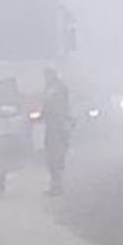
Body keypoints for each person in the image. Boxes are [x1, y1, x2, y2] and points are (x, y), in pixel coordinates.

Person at [39, 67, 74, 196]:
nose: (45, 78)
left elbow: (60, 108)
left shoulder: (59, 89)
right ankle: (55, 185)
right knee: (50, 157)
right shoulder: (50, 89)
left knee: (56, 157)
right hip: (52, 127)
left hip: (58, 128)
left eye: (47, 75)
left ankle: (57, 186)